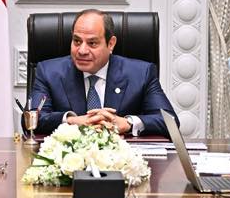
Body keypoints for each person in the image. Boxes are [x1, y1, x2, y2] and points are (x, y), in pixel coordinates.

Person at [30, 9, 177, 136]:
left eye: (92, 43)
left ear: (111, 44)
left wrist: (128, 123)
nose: (82, 51)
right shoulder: (49, 72)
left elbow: (170, 121)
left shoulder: (141, 73)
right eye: (77, 41)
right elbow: (32, 119)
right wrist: (72, 121)